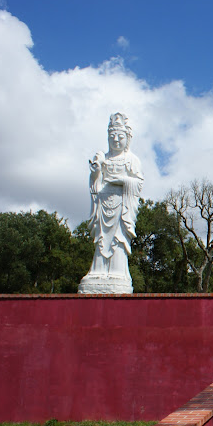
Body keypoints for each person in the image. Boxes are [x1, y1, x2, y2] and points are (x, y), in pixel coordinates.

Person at [78, 113, 143, 293]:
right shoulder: (103, 157)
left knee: (118, 239)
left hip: (122, 205)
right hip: (103, 203)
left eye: (120, 136)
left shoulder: (132, 160)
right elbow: (95, 182)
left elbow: (138, 183)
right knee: (101, 238)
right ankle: (98, 271)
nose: (116, 140)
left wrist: (122, 181)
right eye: (112, 136)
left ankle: (117, 272)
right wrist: (96, 171)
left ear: (127, 139)